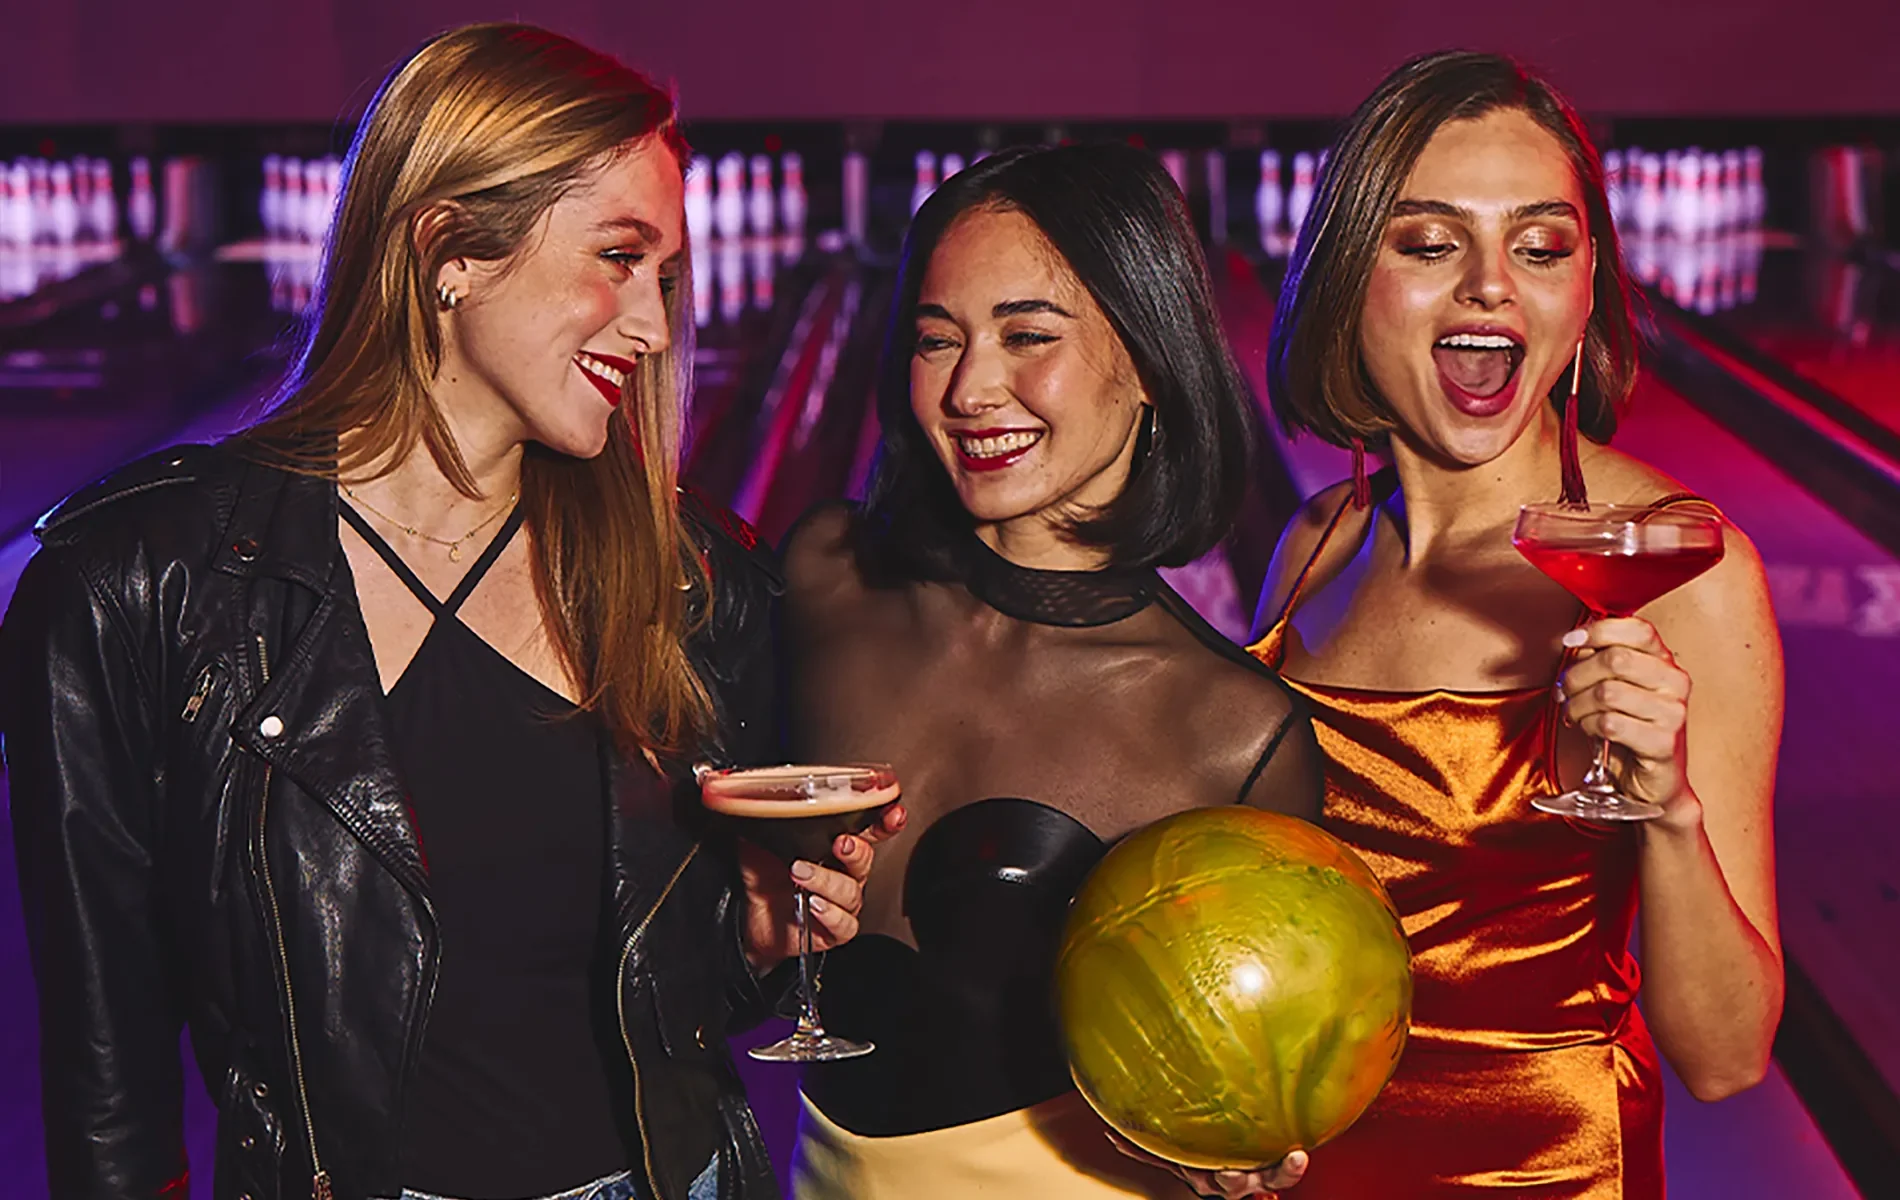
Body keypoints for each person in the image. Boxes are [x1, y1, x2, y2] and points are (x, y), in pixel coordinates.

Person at [0, 24, 896, 1200]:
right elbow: (104, 1060)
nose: (657, 326)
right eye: (617, 257)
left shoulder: (692, 581)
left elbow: (683, 993)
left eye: (666, 277)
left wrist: (763, 939)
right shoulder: (133, 585)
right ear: (447, 248)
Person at [1248, 51, 1784, 1197]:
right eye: (1429, 244)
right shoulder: (1312, 547)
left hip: (1543, 1175)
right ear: (1349, 275)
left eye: (1540, 248)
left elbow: (1728, 1058)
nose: (1491, 287)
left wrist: (1670, 812)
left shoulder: (1675, 567)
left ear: (1587, 287)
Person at [777, 143, 1324, 1200]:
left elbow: (1253, 1079)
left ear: (1150, 361)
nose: (974, 388)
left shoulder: (1234, 734)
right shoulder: (828, 574)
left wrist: (1239, 1152)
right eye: (937, 341)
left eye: (1028, 335)